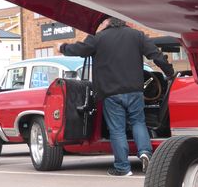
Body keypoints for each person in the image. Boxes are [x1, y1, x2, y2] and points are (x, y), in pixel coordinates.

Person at [59, 18, 174, 176]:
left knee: (117, 130)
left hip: (111, 92)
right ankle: (145, 153)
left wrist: (63, 47)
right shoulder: (137, 35)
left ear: (107, 23)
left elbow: (80, 50)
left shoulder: (98, 38)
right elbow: (156, 55)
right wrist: (169, 73)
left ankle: (122, 167)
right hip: (135, 90)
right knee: (138, 122)